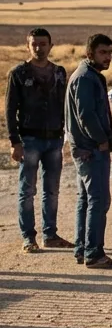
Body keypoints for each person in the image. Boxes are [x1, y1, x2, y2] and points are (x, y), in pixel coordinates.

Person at [8, 28, 73, 254]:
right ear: (28, 46)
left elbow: (66, 106)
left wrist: (68, 136)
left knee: (52, 191)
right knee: (27, 190)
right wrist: (14, 141)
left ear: (51, 46)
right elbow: (10, 110)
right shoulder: (19, 73)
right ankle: (28, 237)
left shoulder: (59, 73)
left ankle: (50, 234)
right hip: (29, 139)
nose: (39, 48)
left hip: (54, 139)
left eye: (43, 44)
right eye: (34, 44)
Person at [65, 34, 112, 269]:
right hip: (90, 150)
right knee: (98, 200)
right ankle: (94, 253)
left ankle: (82, 249)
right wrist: (100, 140)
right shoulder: (86, 78)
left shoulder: (88, 75)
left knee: (86, 200)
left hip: (85, 148)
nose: (108, 57)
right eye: (103, 53)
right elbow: (85, 114)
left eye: (110, 52)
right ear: (90, 53)